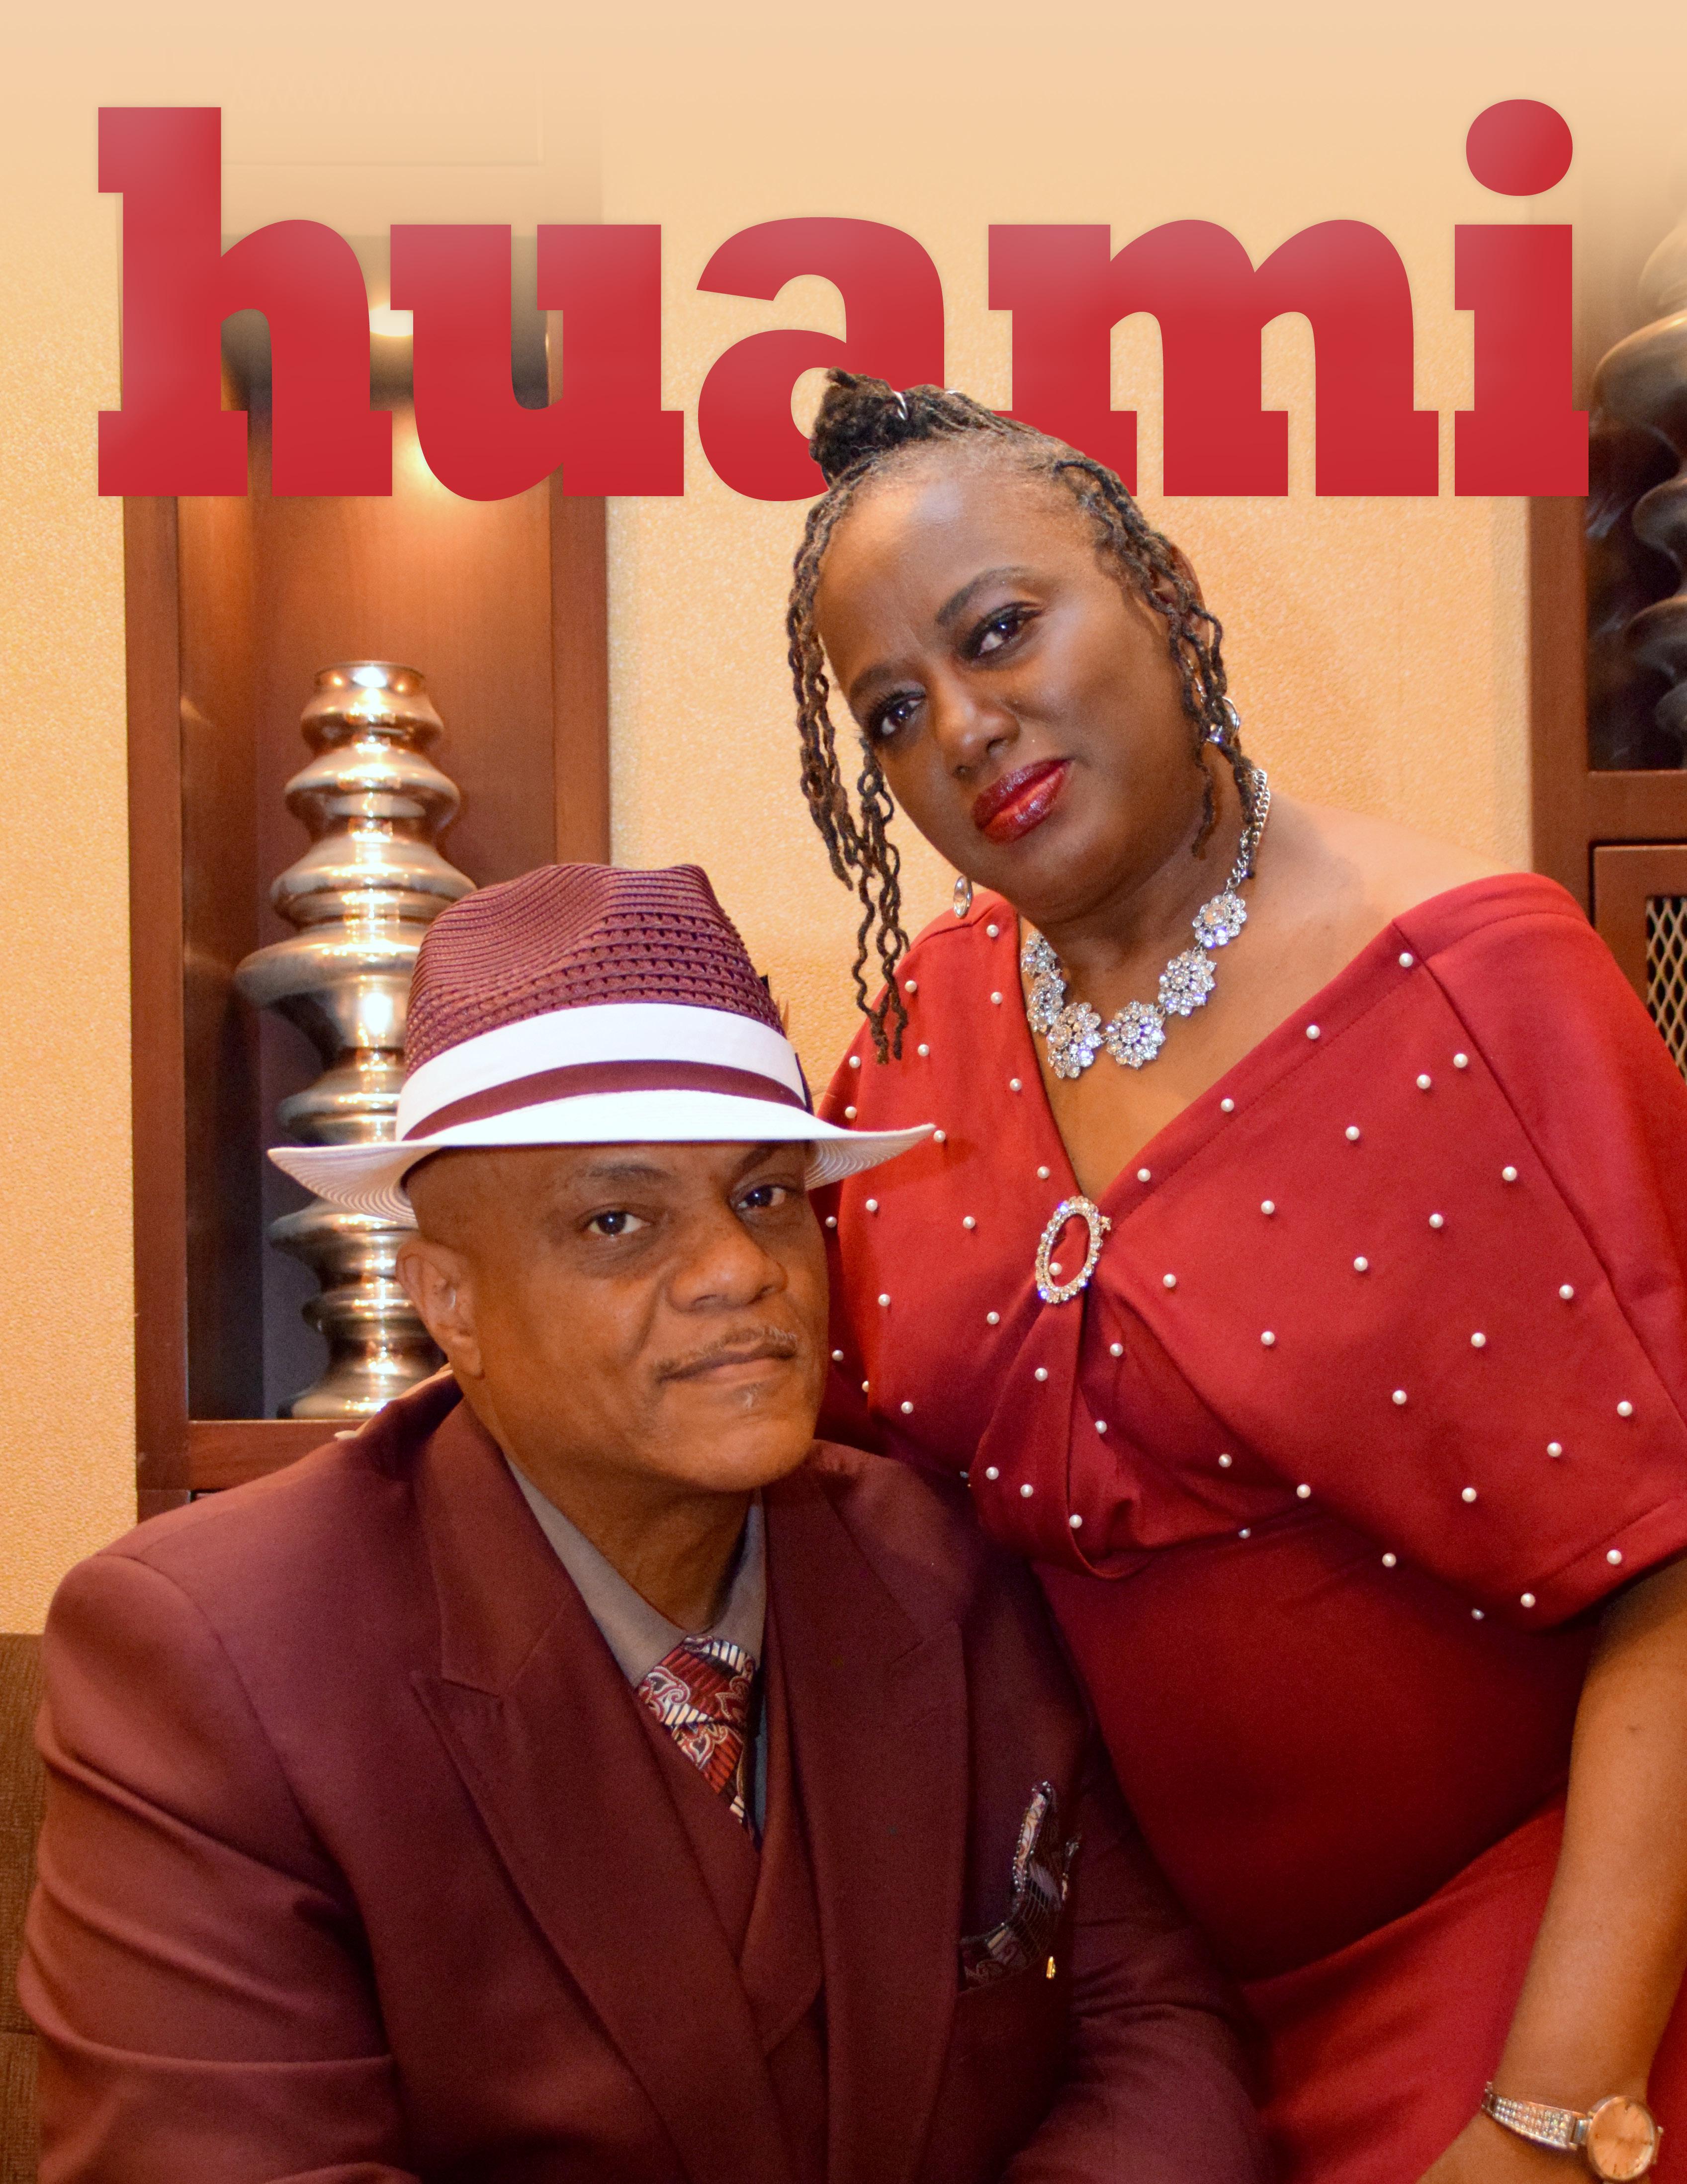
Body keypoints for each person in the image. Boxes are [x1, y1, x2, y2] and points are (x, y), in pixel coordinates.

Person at [21, 861, 1269, 2184]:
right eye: (617, 1219)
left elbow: (1154, 2028)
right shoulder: (213, 1660)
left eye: (765, 1195)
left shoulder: (942, 1564)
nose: (740, 1271)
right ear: (450, 1302)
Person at [786, 373, 1687, 2184]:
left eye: (999, 628)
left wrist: (1545, 2110)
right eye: (890, 707)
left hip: (1511, 1953)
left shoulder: (1480, 985)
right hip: (1130, 2005)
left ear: (1158, 591)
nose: (960, 723)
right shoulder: (912, 1042)